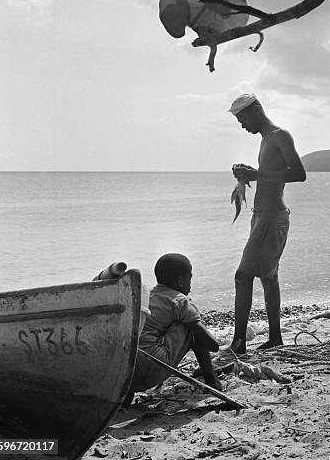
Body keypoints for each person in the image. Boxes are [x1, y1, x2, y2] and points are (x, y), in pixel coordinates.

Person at [227, 93, 306, 354]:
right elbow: (272, 174)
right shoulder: (265, 140)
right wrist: (248, 173)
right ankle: (275, 338)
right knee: (269, 278)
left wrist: (257, 174)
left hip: (271, 217)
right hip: (262, 216)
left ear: (256, 110)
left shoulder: (280, 135)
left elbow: (298, 174)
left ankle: (239, 343)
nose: (242, 126)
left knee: (243, 276)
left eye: (243, 119)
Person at [125, 253, 221, 403]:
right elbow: (213, 345)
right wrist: (213, 342)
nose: (191, 283)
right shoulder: (179, 301)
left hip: (126, 372)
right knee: (192, 326)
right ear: (181, 280)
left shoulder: (148, 295)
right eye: (190, 278)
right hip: (152, 367)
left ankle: (126, 395)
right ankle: (212, 381)